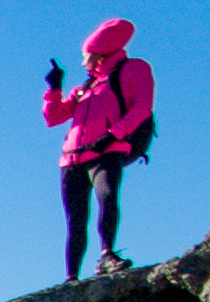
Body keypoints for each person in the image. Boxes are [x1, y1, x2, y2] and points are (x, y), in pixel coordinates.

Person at [43, 18, 156, 279]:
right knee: (75, 220)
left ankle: (107, 255)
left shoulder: (133, 69)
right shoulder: (85, 88)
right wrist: (54, 89)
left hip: (106, 151)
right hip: (72, 159)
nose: (84, 61)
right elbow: (53, 118)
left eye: (87, 55)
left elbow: (142, 108)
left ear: (101, 53)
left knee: (107, 197)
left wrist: (112, 136)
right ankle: (71, 277)